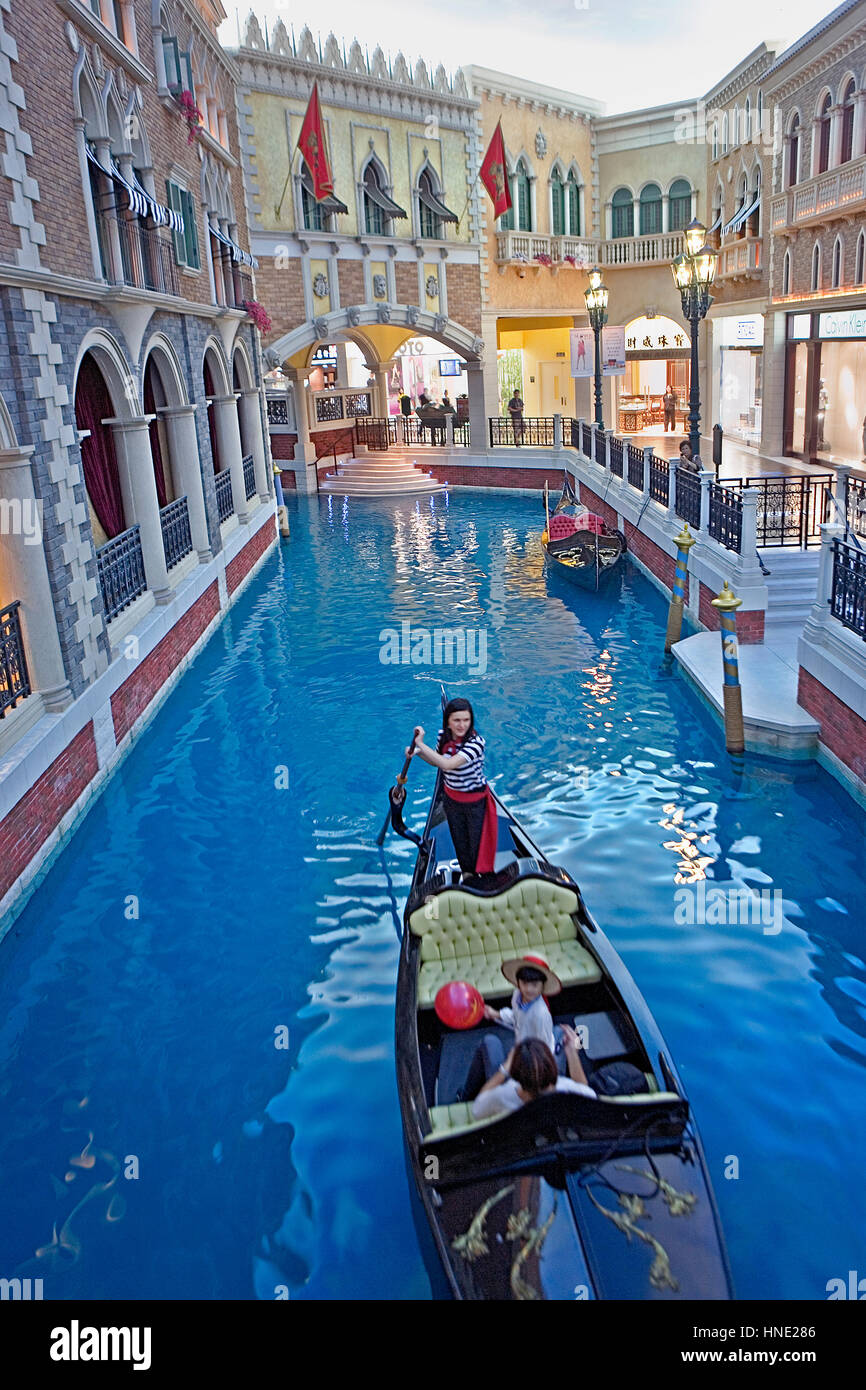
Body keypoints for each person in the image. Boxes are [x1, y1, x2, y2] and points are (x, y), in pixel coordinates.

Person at [407, 698, 496, 876]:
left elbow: (448, 765)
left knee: (477, 847)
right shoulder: (443, 736)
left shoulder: (477, 743)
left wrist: (421, 745)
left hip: (475, 803)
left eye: (466, 720)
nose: (462, 725)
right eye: (456, 720)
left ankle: (485, 879)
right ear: (448, 721)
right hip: (452, 801)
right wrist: (417, 753)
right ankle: (468, 876)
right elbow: (437, 762)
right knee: (460, 844)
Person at [471, 1036, 596, 1120]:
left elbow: (477, 1110)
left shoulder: (502, 1096)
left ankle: (464, 1095)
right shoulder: (567, 1089)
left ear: (515, 1075)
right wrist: (572, 1052)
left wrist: (504, 1069)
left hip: (510, 1088)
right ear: (553, 1068)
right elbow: (586, 1092)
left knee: (490, 1042)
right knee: (557, 1032)